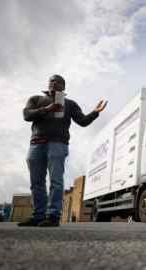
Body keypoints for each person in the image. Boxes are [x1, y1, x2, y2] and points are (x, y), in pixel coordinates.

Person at [18, 74, 107, 227]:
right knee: (36, 182)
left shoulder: (70, 104)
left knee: (56, 180)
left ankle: (53, 216)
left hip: (58, 144)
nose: (54, 83)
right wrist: (47, 109)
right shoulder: (36, 99)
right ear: (48, 84)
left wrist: (95, 112)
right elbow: (27, 115)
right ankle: (38, 215)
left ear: (64, 87)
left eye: (58, 82)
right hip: (36, 144)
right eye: (51, 81)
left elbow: (83, 121)